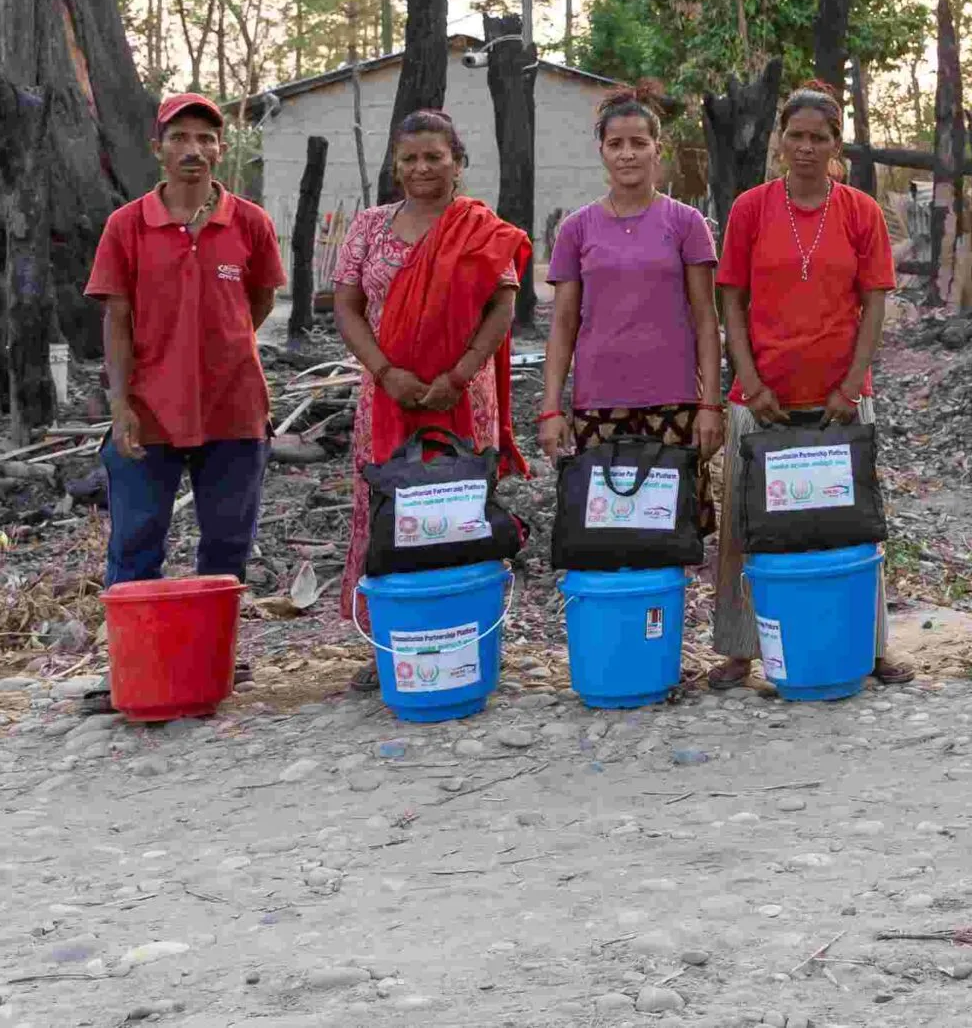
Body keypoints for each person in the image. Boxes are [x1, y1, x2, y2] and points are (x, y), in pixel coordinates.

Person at [712, 84, 911, 689]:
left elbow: (874, 304)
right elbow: (732, 299)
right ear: (779, 141)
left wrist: (851, 386)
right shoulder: (751, 208)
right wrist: (749, 379)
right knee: (746, 524)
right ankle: (741, 649)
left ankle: (870, 646)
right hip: (761, 399)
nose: (805, 147)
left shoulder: (859, 211)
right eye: (794, 135)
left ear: (835, 144)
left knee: (852, 522)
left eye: (817, 137)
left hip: (840, 402)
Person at [332, 111, 529, 661]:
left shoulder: (478, 227)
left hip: (462, 396)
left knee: (459, 508)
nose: (422, 167)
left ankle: (466, 635)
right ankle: (389, 644)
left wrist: (458, 375)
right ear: (396, 165)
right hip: (386, 395)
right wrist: (384, 371)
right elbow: (346, 306)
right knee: (389, 509)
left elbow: (503, 304)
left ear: (457, 163)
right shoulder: (370, 226)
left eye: (434, 156)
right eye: (410, 158)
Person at [86, 92, 286, 588]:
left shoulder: (251, 223)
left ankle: (212, 661)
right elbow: (116, 318)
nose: (192, 149)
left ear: (220, 149)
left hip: (234, 409)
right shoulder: (127, 226)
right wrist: (120, 403)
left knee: (226, 549)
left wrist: (220, 347)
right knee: (135, 545)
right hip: (148, 410)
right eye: (179, 138)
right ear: (159, 148)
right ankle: (142, 664)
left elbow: (257, 303)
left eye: (205, 138)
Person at [541, 91, 723, 475]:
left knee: (674, 524)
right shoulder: (576, 229)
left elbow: (706, 320)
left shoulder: (686, 223)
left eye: (639, 143)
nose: (627, 154)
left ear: (657, 149)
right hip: (598, 402)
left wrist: (711, 404)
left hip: (675, 401)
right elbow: (562, 325)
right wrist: (551, 407)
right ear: (602, 151)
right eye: (616, 144)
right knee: (605, 523)